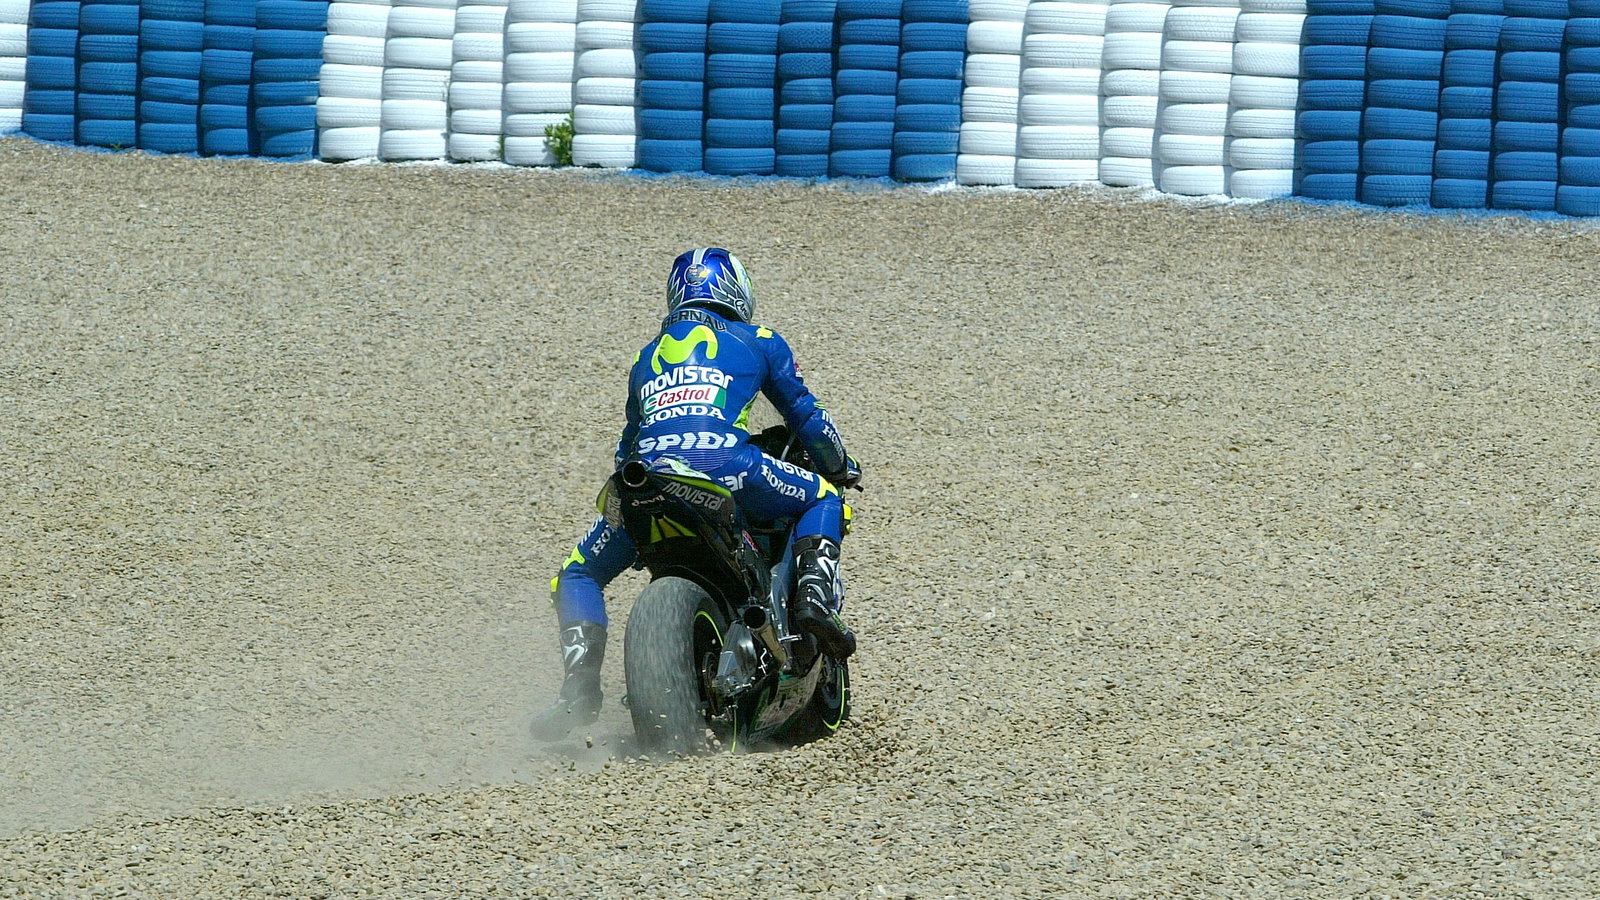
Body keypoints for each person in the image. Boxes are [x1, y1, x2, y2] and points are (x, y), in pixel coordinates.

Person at [531, 247, 862, 741]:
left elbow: (626, 448)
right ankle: (814, 600)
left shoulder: (646, 357)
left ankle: (578, 688)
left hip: (643, 480)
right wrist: (840, 466)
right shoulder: (759, 339)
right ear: (736, 290)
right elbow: (807, 418)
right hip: (727, 465)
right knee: (824, 499)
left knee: (575, 573)